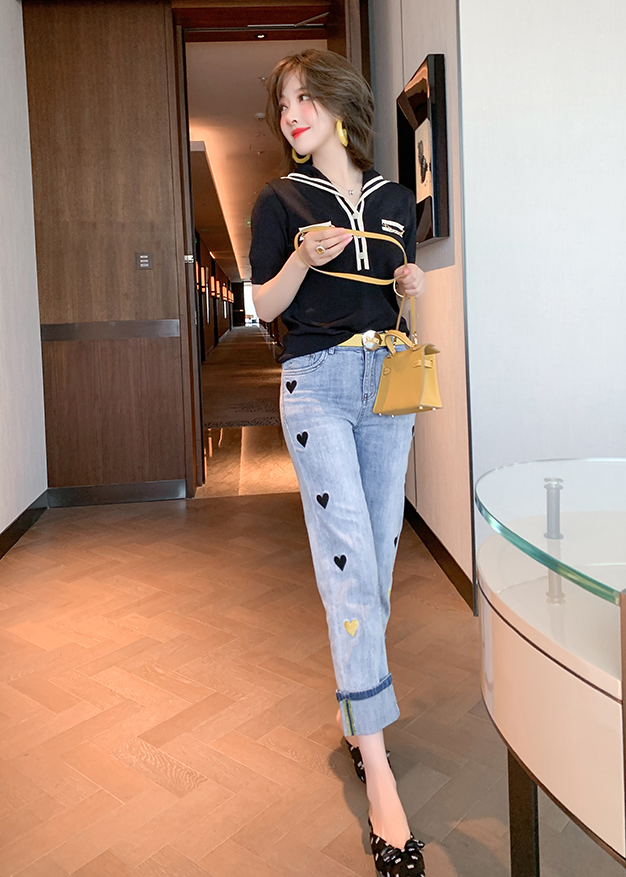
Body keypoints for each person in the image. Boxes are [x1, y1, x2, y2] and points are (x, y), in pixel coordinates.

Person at [249, 49, 427, 877]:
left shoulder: (393, 200)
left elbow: (395, 294)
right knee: (351, 559)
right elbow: (264, 306)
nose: (292, 113)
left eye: (305, 97)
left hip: (389, 379)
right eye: (284, 103)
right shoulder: (279, 199)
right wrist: (300, 261)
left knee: (379, 559)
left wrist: (409, 286)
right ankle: (379, 773)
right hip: (316, 383)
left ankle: (356, 714)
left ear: (339, 103)